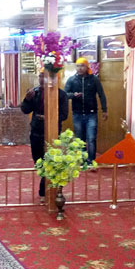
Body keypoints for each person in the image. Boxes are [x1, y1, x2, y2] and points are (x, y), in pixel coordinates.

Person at [21, 71, 70, 203]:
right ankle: (47, 186)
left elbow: (64, 115)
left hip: (53, 133)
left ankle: (46, 191)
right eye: (40, 77)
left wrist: (48, 118)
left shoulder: (61, 94)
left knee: (51, 162)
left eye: (45, 77)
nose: (42, 79)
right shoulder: (34, 92)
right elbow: (25, 110)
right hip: (36, 131)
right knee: (39, 163)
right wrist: (27, 99)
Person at [64, 57, 108, 163]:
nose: (80, 68)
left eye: (82, 66)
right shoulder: (71, 80)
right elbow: (64, 94)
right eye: (78, 66)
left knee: (91, 138)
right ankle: (82, 160)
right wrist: (73, 95)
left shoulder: (94, 79)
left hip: (91, 114)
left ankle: (91, 161)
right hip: (77, 114)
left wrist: (104, 110)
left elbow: (101, 94)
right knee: (80, 139)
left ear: (87, 67)